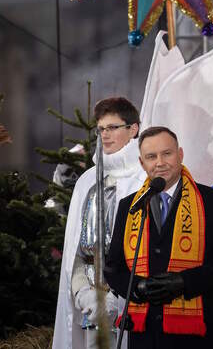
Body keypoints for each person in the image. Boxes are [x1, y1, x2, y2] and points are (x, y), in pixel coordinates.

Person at [105, 126, 213, 349]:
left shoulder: (211, 202)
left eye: (167, 153)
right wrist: (137, 288)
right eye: (151, 157)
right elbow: (113, 269)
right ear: (142, 163)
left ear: (180, 155)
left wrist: (184, 282)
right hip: (145, 337)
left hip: (197, 337)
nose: (160, 162)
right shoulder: (129, 206)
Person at [52, 97, 147, 349]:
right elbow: (76, 250)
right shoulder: (87, 181)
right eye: (101, 129)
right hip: (90, 303)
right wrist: (82, 291)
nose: (105, 135)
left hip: (132, 301)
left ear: (133, 129)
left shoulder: (145, 179)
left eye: (113, 127)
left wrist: (118, 298)